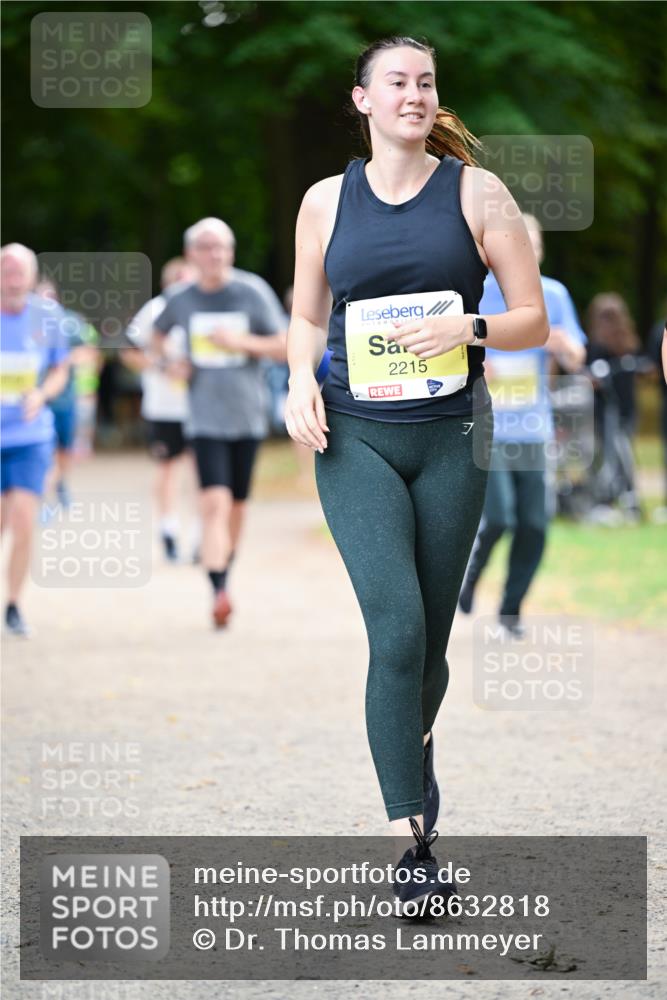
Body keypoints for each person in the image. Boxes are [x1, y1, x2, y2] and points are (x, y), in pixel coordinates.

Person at [284, 36, 547, 912]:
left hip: (452, 437)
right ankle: (413, 842)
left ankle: (412, 747)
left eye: (425, 82)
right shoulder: (325, 200)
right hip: (353, 435)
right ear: (362, 99)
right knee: (396, 631)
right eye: (395, 81)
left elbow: (532, 320)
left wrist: (467, 328)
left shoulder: (479, 193)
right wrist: (296, 380)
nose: (414, 94)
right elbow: (306, 314)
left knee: (428, 644)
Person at [152, 218, 287, 627]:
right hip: (203, 419)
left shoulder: (251, 291)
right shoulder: (181, 299)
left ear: (231, 251)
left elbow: (284, 345)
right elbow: (154, 338)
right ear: (190, 254)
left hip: (247, 417)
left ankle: (225, 570)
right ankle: (219, 590)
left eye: (222, 247)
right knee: (213, 504)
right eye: (206, 247)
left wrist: (239, 342)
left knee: (237, 508)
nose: (215, 255)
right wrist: (170, 363)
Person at [458, 215, 587, 637]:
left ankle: (510, 613)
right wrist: (478, 368)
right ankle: (469, 575)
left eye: (531, 246)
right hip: (487, 426)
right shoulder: (476, 293)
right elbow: (451, 356)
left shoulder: (553, 295)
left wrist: (562, 344)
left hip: (534, 427)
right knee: (498, 517)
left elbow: (577, 357)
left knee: (534, 524)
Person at [1, 244, 69, 636]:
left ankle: (13, 604)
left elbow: (60, 369)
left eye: (19, 272)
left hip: (30, 436)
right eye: (5, 271)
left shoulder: (48, 317)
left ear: (31, 277)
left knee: (24, 520)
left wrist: (42, 395)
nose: (12, 279)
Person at [122, 257, 199, 562]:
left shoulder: (202, 307)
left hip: (200, 406)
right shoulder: (154, 310)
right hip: (164, 406)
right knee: (167, 468)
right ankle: (168, 528)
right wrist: (162, 367)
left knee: (200, 470)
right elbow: (129, 351)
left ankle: (200, 533)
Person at [34, 277, 99, 510]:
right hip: (37, 400)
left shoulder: (70, 321)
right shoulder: (26, 320)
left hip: (65, 397)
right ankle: (42, 494)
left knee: (64, 448)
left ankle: (60, 483)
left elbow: (89, 351)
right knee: (42, 448)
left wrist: (63, 360)